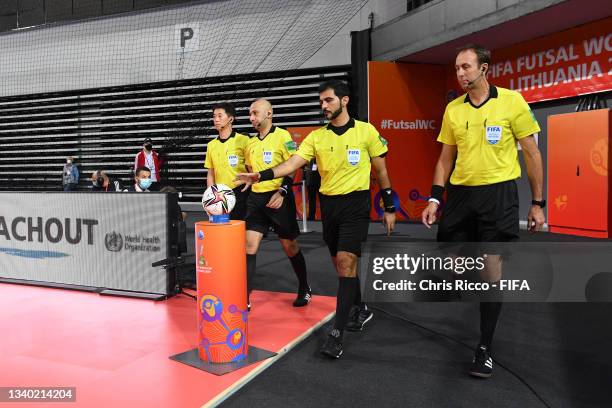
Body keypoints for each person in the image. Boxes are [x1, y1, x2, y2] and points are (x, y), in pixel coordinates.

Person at [236, 81, 395, 359]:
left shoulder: (366, 131)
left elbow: (381, 171)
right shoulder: (315, 137)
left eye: (329, 100)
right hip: (329, 207)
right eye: (321, 102)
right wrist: (260, 176)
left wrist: (389, 204)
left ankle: (336, 334)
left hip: (356, 204)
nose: (324, 106)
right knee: (341, 264)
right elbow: (290, 165)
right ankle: (361, 306)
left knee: (346, 263)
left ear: (344, 101)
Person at [421, 44, 545, 378]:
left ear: (484, 68)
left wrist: (537, 203)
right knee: (451, 262)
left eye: (466, 67)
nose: (460, 73)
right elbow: (445, 159)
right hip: (461, 195)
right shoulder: (453, 110)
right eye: (457, 68)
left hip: (499, 195)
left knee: (491, 271)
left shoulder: (512, 102)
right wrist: (434, 199)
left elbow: (532, 154)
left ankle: (485, 347)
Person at [243, 98, 312, 309]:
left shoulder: (283, 136)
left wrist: (282, 191)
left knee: (289, 246)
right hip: (256, 199)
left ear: (269, 114)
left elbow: (294, 165)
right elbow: (249, 168)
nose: (251, 117)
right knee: (249, 246)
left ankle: (304, 287)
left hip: (279, 197)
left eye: (255, 113)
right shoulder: (251, 143)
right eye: (250, 114)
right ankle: (243, 296)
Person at [204, 102, 251, 220]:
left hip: (240, 192)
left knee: (239, 230)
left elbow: (251, 168)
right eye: (214, 116)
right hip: (219, 194)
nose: (216, 119)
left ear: (231, 119)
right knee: (221, 230)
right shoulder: (211, 145)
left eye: (220, 116)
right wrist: (210, 194)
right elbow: (211, 172)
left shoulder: (244, 140)